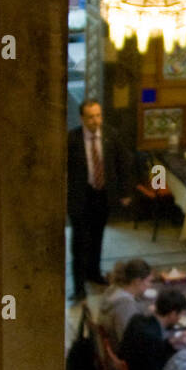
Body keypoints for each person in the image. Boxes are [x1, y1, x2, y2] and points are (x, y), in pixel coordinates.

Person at [67, 100, 132, 298]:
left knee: (97, 237)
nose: (96, 120)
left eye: (98, 115)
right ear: (82, 118)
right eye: (91, 117)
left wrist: (125, 191)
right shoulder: (72, 139)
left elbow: (124, 163)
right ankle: (78, 288)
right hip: (81, 197)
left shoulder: (111, 135)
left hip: (103, 196)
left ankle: (93, 273)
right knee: (79, 243)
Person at [117, 287, 186, 370]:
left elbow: (152, 351)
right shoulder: (153, 337)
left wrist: (171, 342)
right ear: (172, 314)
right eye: (180, 315)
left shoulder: (137, 319)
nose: (180, 319)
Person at [98, 258, 152, 344]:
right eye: (148, 281)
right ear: (137, 281)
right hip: (120, 351)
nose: (150, 285)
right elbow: (129, 340)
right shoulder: (125, 305)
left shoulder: (114, 289)